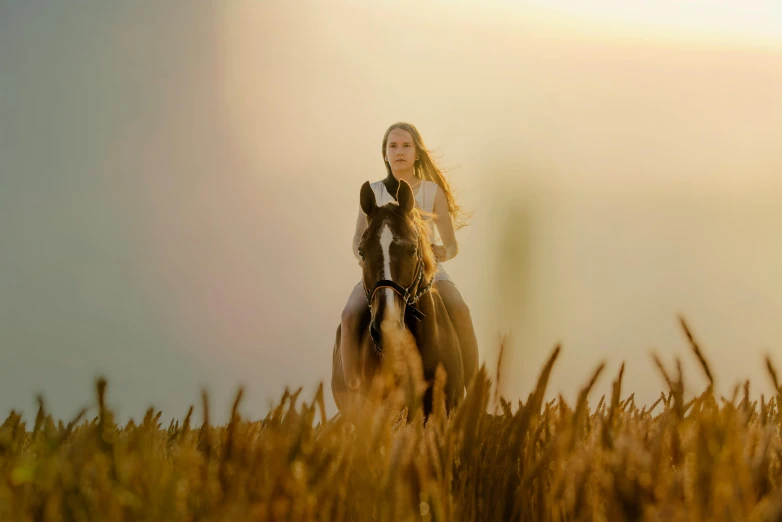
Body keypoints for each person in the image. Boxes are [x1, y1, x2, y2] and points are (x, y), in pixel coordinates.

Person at [340, 122, 478, 392]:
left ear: (417, 153)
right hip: (380, 272)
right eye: (393, 146)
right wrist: (364, 258)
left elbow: (451, 244)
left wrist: (443, 252)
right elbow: (358, 237)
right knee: (349, 315)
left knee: (460, 309)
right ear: (385, 153)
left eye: (406, 146)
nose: (399, 151)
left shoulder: (431, 192)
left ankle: (473, 391)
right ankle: (352, 391)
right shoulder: (374, 191)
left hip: (427, 270)